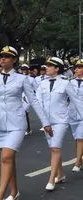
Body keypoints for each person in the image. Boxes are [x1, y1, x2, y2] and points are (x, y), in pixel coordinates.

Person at [0, 46, 53, 200]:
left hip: (17, 124)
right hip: (1, 125)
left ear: (14, 60)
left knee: (6, 157)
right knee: (8, 159)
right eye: (1, 55)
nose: (3, 58)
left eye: (7, 56)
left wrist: (46, 123)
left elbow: (34, 101)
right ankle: (14, 191)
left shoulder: (23, 79)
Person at [36, 57, 83, 191]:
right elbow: (38, 103)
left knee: (56, 148)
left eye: (50, 66)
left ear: (57, 68)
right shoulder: (42, 84)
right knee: (53, 148)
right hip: (47, 122)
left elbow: (77, 102)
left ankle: (52, 179)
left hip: (61, 120)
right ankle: (61, 175)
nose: (47, 67)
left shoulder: (65, 83)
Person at [69, 59, 83, 172]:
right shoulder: (70, 82)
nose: (76, 69)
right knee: (77, 138)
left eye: (80, 67)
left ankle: (77, 162)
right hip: (72, 114)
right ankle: (80, 159)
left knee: (80, 137)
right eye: (76, 67)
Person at [20, 64, 35, 136]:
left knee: (25, 112)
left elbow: (35, 89)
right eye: (22, 69)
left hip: (28, 98)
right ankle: (24, 128)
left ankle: (28, 129)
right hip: (20, 97)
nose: (23, 71)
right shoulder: (19, 78)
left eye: (25, 69)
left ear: (28, 70)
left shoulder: (32, 79)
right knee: (21, 113)